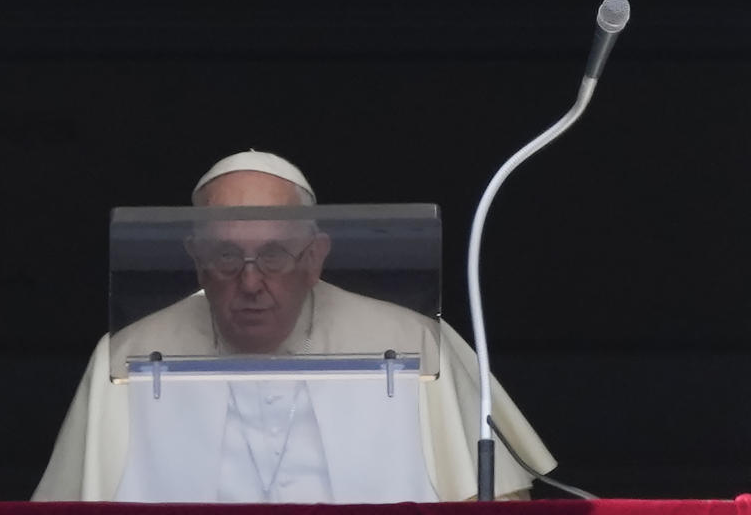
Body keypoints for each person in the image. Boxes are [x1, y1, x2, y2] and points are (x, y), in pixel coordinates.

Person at [32, 150, 555, 503]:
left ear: (315, 256)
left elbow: (501, 501)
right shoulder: (128, 355)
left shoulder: (412, 342)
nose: (251, 282)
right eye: (225, 256)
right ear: (194, 258)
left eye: (275, 256)